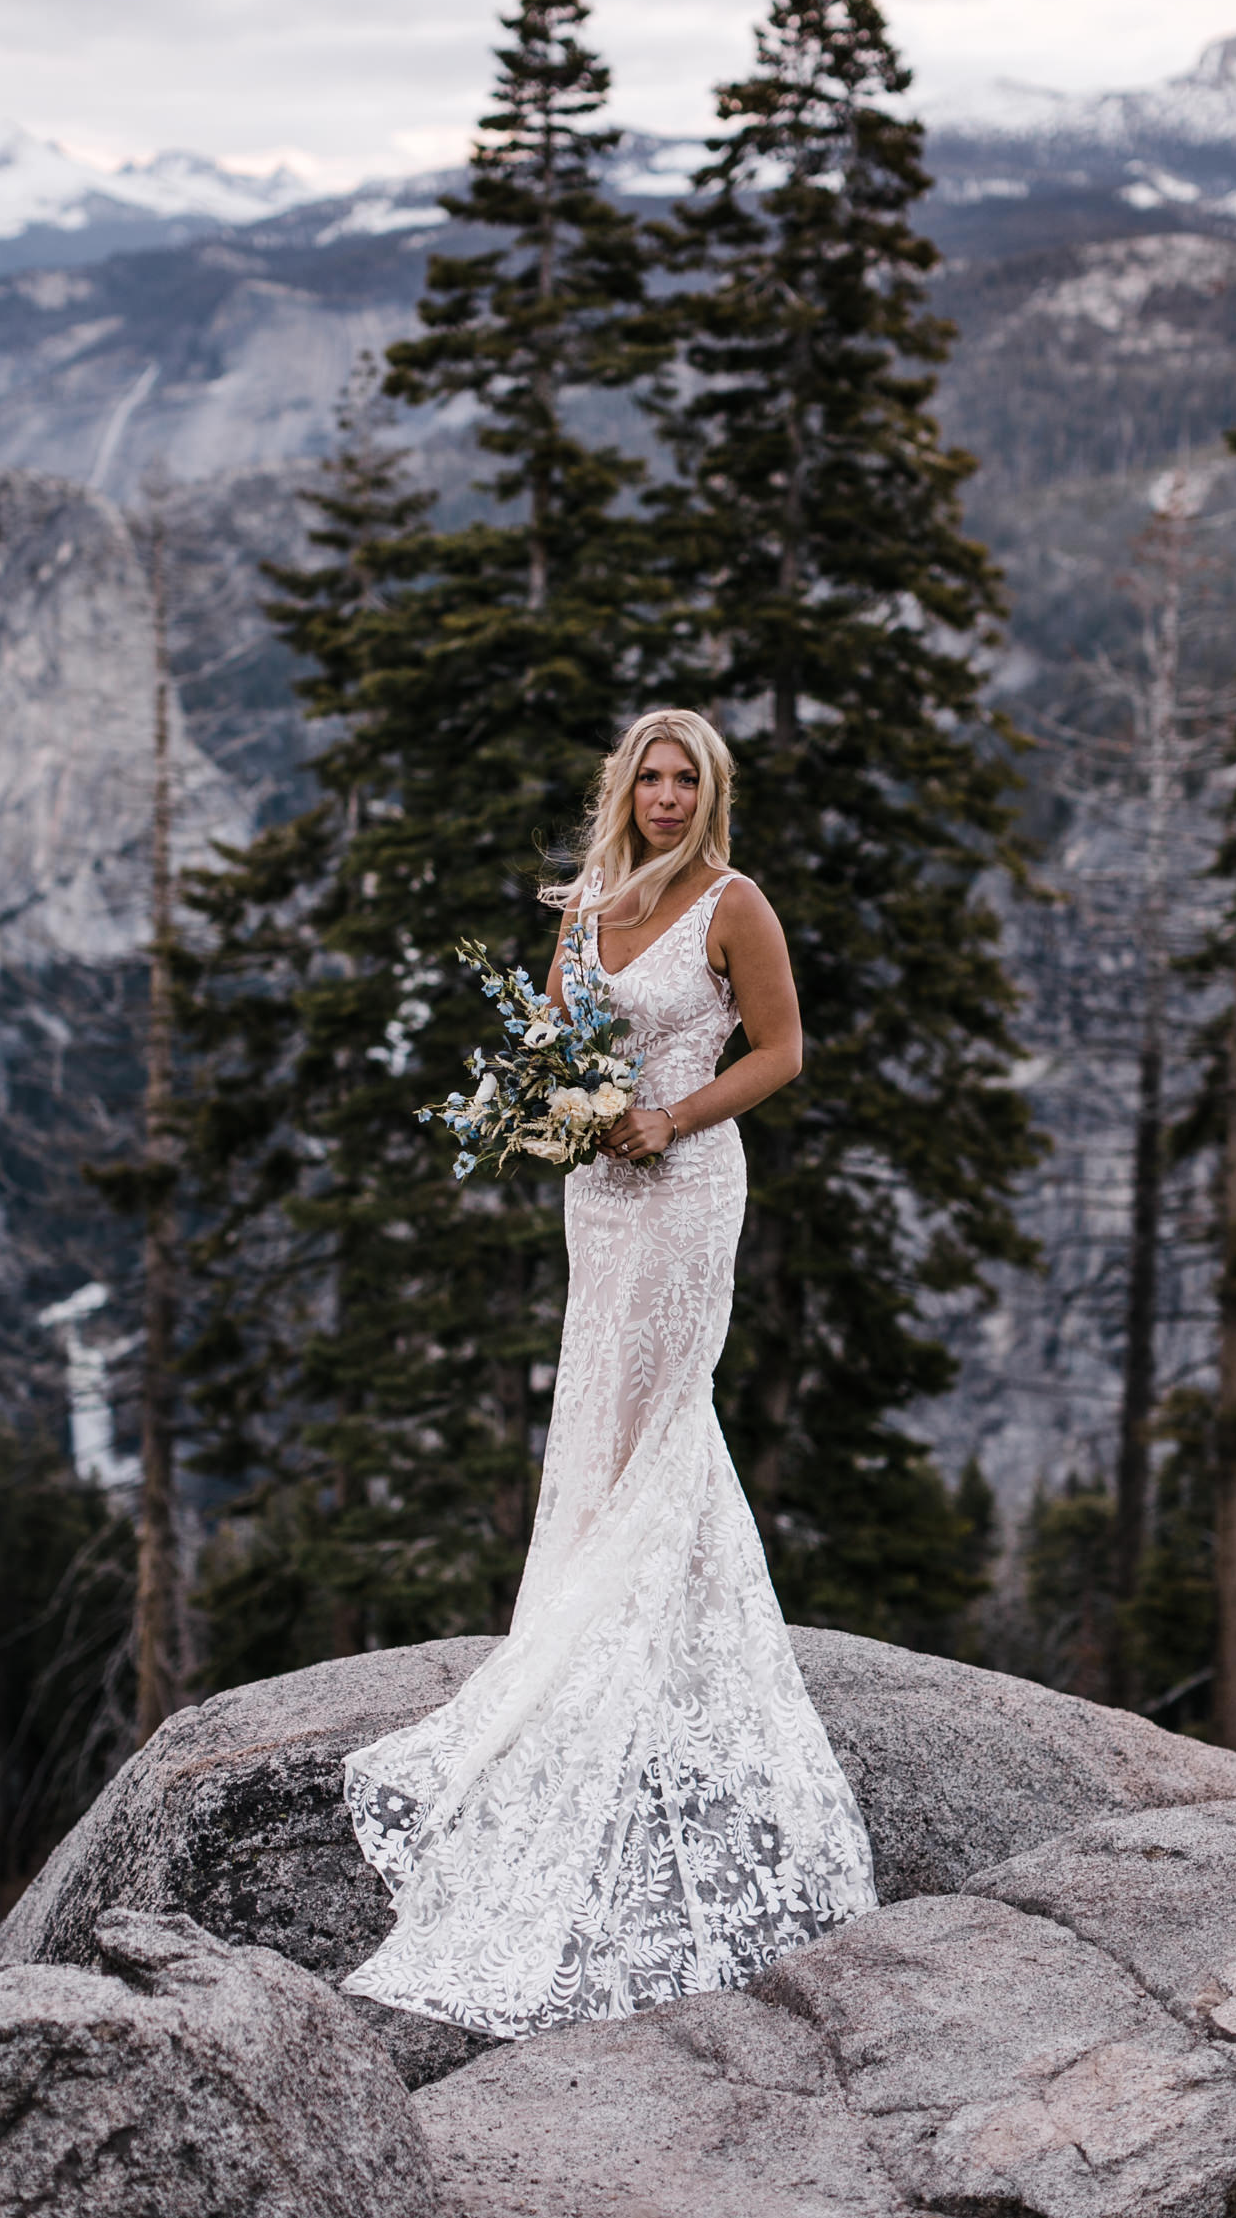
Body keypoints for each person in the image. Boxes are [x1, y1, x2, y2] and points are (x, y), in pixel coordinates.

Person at [341, 708, 877, 2037]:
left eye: (688, 778)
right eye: (652, 775)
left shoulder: (732, 905)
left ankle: (640, 1647)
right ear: (625, 790)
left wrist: (670, 1114)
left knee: (664, 1410)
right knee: (597, 1409)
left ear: (712, 795)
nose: (668, 795)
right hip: (602, 1192)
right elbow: (561, 1038)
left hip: (691, 1183)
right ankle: (589, 1621)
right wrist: (557, 1109)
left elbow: (783, 1051)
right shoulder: (584, 905)